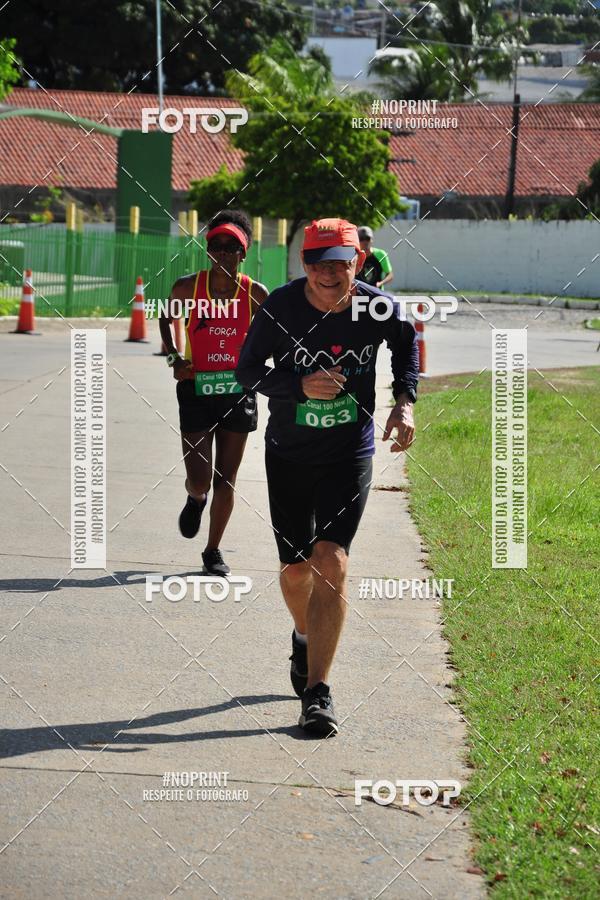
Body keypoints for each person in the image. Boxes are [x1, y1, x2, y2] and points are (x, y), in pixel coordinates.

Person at [236, 218, 418, 736]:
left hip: (348, 453)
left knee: (331, 561)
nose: (328, 274)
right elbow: (247, 370)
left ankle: (317, 693)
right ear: (304, 266)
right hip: (289, 454)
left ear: (356, 262)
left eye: (339, 263)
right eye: (318, 264)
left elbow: (406, 349)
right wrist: (297, 385)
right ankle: (303, 635)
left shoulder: (375, 306)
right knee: (295, 571)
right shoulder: (282, 307)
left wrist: (404, 405)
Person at [159, 211, 268, 576]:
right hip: (196, 389)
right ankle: (195, 497)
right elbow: (166, 316)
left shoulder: (256, 293)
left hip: (238, 392)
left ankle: (212, 550)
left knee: (227, 478)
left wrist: (260, 366)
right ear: (208, 251)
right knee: (202, 477)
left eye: (230, 247)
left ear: (243, 253)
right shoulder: (188, 287)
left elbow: (273, 336)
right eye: (215, 246)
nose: (222, 253)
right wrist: (175, 356)